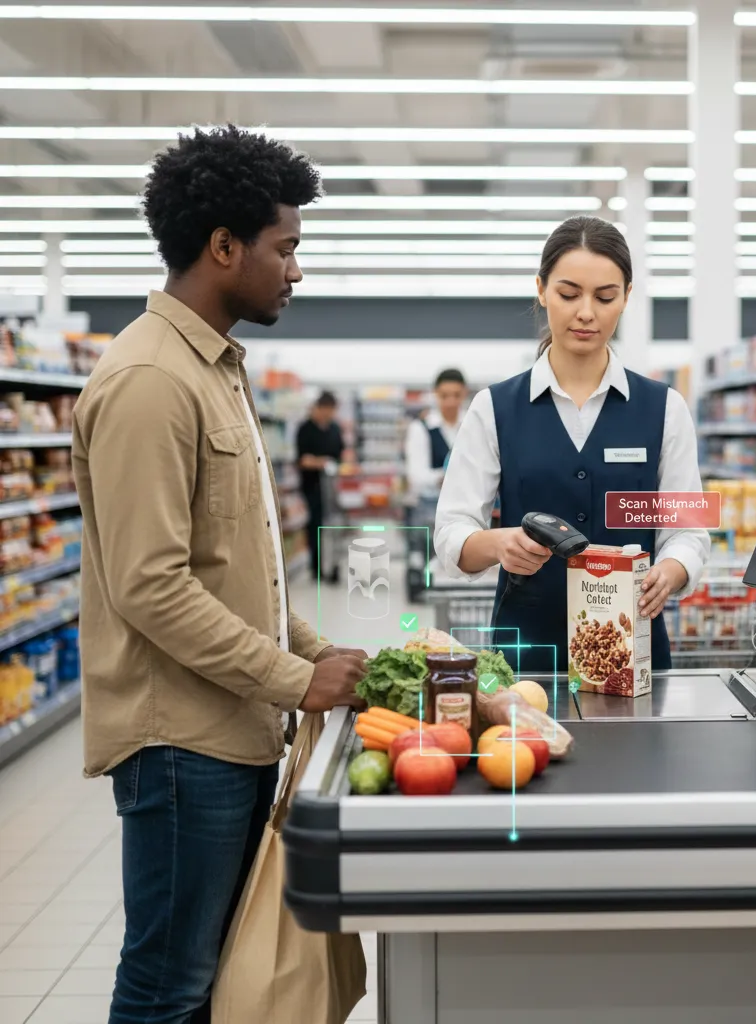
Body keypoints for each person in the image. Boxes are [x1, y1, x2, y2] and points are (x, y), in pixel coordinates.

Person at [71, 126, 367, 1024]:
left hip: (229, 731)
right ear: (224, 246)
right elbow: (151, 585)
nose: (296, 271)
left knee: (210, 985)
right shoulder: (151, 382)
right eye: (286, 248)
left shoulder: (216, 371)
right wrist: (293, 678)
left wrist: (318, 649)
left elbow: (236, 565)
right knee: (169, 988)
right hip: (179, 748)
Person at [434, 215, 710, 674]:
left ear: (626, 297)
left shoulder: (665, 408)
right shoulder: (493, 408)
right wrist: (499, 544)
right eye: (568, 294)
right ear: (541, 290)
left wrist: (673, 570)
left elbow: (688, 531)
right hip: (526, 658)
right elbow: (451, 532)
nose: (586, 312)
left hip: (633, 652)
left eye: (605, 297)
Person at [296, 390, 344, 583]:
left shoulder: (335, 429)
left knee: (333, 525)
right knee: (315, 524)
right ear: (319, 408)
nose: (329, 414)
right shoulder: (305, 428)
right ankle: (316, 568)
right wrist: (321, 462)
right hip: (312, 486)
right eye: (327, 410)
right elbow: (302, 460)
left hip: (331, 487)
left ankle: (332, 565)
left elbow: (340, 455)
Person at [404, 367, 467, 512]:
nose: (451, 402)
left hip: (467, 507)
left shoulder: (473, 425)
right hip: (432, 507)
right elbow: (417, 476)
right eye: (444, 396)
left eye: (456, 395)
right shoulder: (420, 428)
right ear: (436, 394)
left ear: (464, 393)